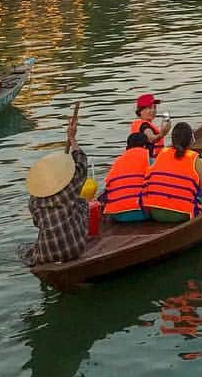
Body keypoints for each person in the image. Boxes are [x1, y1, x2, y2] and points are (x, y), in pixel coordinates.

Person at [20, 112, 90, 265]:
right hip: (74, 248)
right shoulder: (68, 190)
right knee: (83, 203)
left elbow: (38, 223)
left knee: (23, 251)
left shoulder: (34, 201)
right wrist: (72, 139)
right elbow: (81, 163)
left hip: (45, 253)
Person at [141, 122, 202, 224]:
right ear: (191, 140)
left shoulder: (163, 153)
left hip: (154, 212)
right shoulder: (194, 157)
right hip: (180, 214)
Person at [102, 132, 153, 222]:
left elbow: (108, 186)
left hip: (116, 214)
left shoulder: (118, 161)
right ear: (145, 146)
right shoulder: (148, 159)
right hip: (141, 213)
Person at [130, 92, 170, 158]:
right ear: (140, 111)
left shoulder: (140, 124)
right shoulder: (144, 126)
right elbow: (151, 138)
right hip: (149, 161)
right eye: (149, 108)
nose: (153, 110)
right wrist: (162, 134)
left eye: (154, 107)